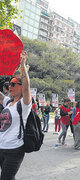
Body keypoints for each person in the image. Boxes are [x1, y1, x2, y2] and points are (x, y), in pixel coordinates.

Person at [0, 51, 32, 180]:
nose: (10, 86)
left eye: (13, 84)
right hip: (1, 147)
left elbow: (26, 87)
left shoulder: (24, 104)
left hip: (14, 149)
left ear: (20, 86)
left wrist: (23, 65)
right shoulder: (8, 103)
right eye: (9, 84)